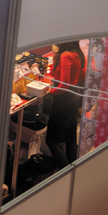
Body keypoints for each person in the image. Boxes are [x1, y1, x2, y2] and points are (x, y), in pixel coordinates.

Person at [46, 40, 85, 169]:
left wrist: (49, 91)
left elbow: (64, 86)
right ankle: (73, 171)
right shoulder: (77, 53)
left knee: (51, 141)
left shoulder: (65, 55)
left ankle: (65, 171)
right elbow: (81, 75)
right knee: (70, 138)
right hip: (75, 96)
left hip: (64, 100)